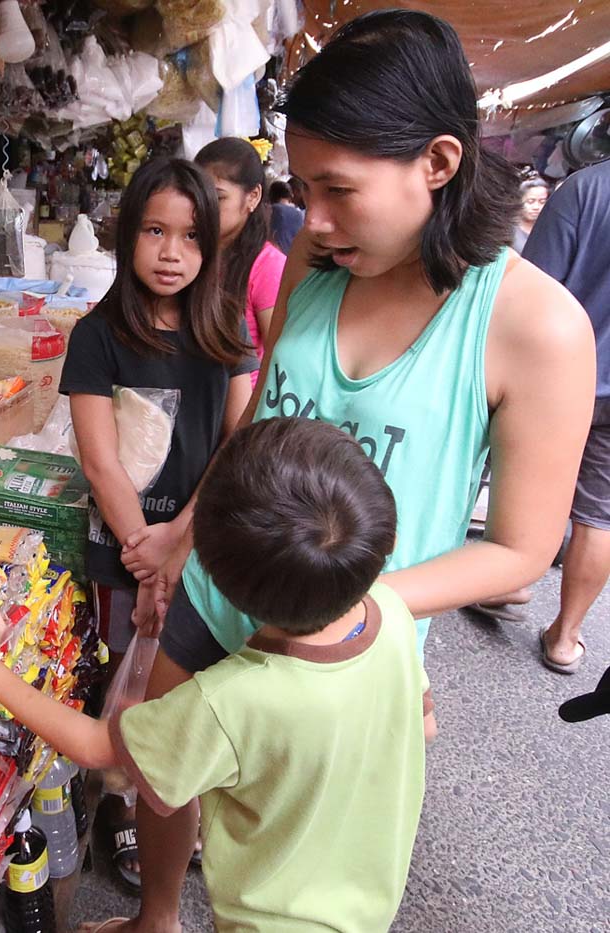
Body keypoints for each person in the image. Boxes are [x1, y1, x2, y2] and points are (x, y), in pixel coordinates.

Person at [127, 11, 594, 932]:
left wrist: (365, 617)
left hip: (348, 638)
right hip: (228, 583)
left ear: (440, 162)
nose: (315, 219)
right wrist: (189, 527)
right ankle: (156, 916)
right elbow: (269, 413)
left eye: (338, 190)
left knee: (300, 843)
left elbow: (521, 549)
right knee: (161, 766)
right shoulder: (317, 253)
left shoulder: (534, 325)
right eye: (303, 188)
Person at [0, 417, 428, 933]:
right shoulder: (393, 614)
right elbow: (423, 724)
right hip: (368, 905)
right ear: (388, 542)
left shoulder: (229, 701)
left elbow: (92, 746)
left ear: (214, 582)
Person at [56, 157, 256, 889]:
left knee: (188, 672)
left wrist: (182, 543)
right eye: (153, 231)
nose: (171, 252)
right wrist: (146, 553)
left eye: (191, 236)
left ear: (213, 246)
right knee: (122, 672)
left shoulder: (226, 329)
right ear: (126, 235)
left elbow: (239, 439)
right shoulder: (96, 336)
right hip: (122, 548)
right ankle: (116, 797)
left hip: (200, 549)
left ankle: (176, 796)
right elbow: (104, 463)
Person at [523, 157, 610, 674]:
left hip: (559, 374)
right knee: (599, 515)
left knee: (529, 477)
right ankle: (565, 637)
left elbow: (533, 286)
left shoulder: (585, 189)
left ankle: (506, 580)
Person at [196, 137, 287, 380]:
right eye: (197, 195)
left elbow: (279, 359)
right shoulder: (192, 255)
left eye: (218, 197)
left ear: (253, 196)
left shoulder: (268, 265)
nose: (203, 206)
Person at [268, 179, 305, 253]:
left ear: (271, 196)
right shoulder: (298, 215)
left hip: (270, 256)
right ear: (290, 196)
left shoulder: (267, 211)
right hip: (290, 258)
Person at [513, 177, 549, 253]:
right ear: (519, 201)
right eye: (530, 202)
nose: (536, 207)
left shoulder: (551, 227)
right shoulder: (508, 230)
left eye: (542, 202)